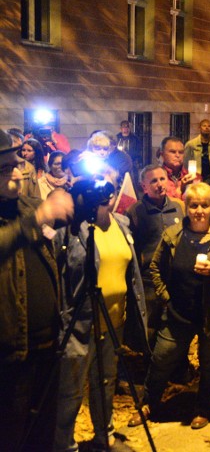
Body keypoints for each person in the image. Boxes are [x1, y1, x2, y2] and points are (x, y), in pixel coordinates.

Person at [129, 182, 210, 430]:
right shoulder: (173, 235)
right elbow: (155, 268)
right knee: (162, 358)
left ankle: (203, 408)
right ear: (186, 207)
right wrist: (166, 298)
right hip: (178, 312)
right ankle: (149, 404)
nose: (199, 211)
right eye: (193, 205)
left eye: (205, 205)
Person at [53, 158, 148, 451]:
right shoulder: (70, 228)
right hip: (79, 323)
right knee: (70, 390)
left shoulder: (122, 223)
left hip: (114, 319)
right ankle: (62, 444)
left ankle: (103, 434)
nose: (106, 189)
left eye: (110, 182)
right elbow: (56, 271)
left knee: (105, 380)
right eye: (98, 183)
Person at [0, 130, 73, 451]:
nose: (17, 173)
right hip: (11, 354)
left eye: (17, 164)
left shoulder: (27, 205)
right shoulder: (29, 215)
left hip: (48, 343)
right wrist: (40, 217)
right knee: (12, 434)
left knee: (43, 433)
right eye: (5, 168)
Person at [127, 165, 185, 344]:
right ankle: (149, 363)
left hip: (175, 277)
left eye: (162, 179)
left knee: (175, 322)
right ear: (143, 186)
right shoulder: (135, 212)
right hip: (149, 279)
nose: (159, 184)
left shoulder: (178, 207)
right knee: (151, 323)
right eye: (153, 181)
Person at [159, 136, 198, 201]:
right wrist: (181, 189)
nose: (177, 155)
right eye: (173, 152)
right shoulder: (156, 178)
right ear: (162, 154)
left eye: (181, 152)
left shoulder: (194, 177)